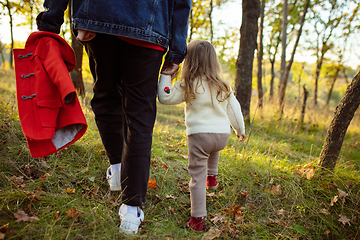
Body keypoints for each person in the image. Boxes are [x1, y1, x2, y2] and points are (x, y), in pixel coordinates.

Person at [36, 0, 191, 235]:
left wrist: (50, 20)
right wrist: (177, 50)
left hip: (98, 17)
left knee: (106, 96)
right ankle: (131, 209)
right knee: (139, 114)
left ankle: (118, 169)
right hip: (148, 26)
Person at [158, 40, 246, 232]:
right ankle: (212, 177)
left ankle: (197, 218)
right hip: (222, 136)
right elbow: (235, 110)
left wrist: (166, 76)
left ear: (189, 61)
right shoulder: (224, 85)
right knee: (213, 148)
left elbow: (165, 97)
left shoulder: (188, 84)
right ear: (213, 61)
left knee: (196, 176)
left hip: (199, 136)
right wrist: (240, 130)